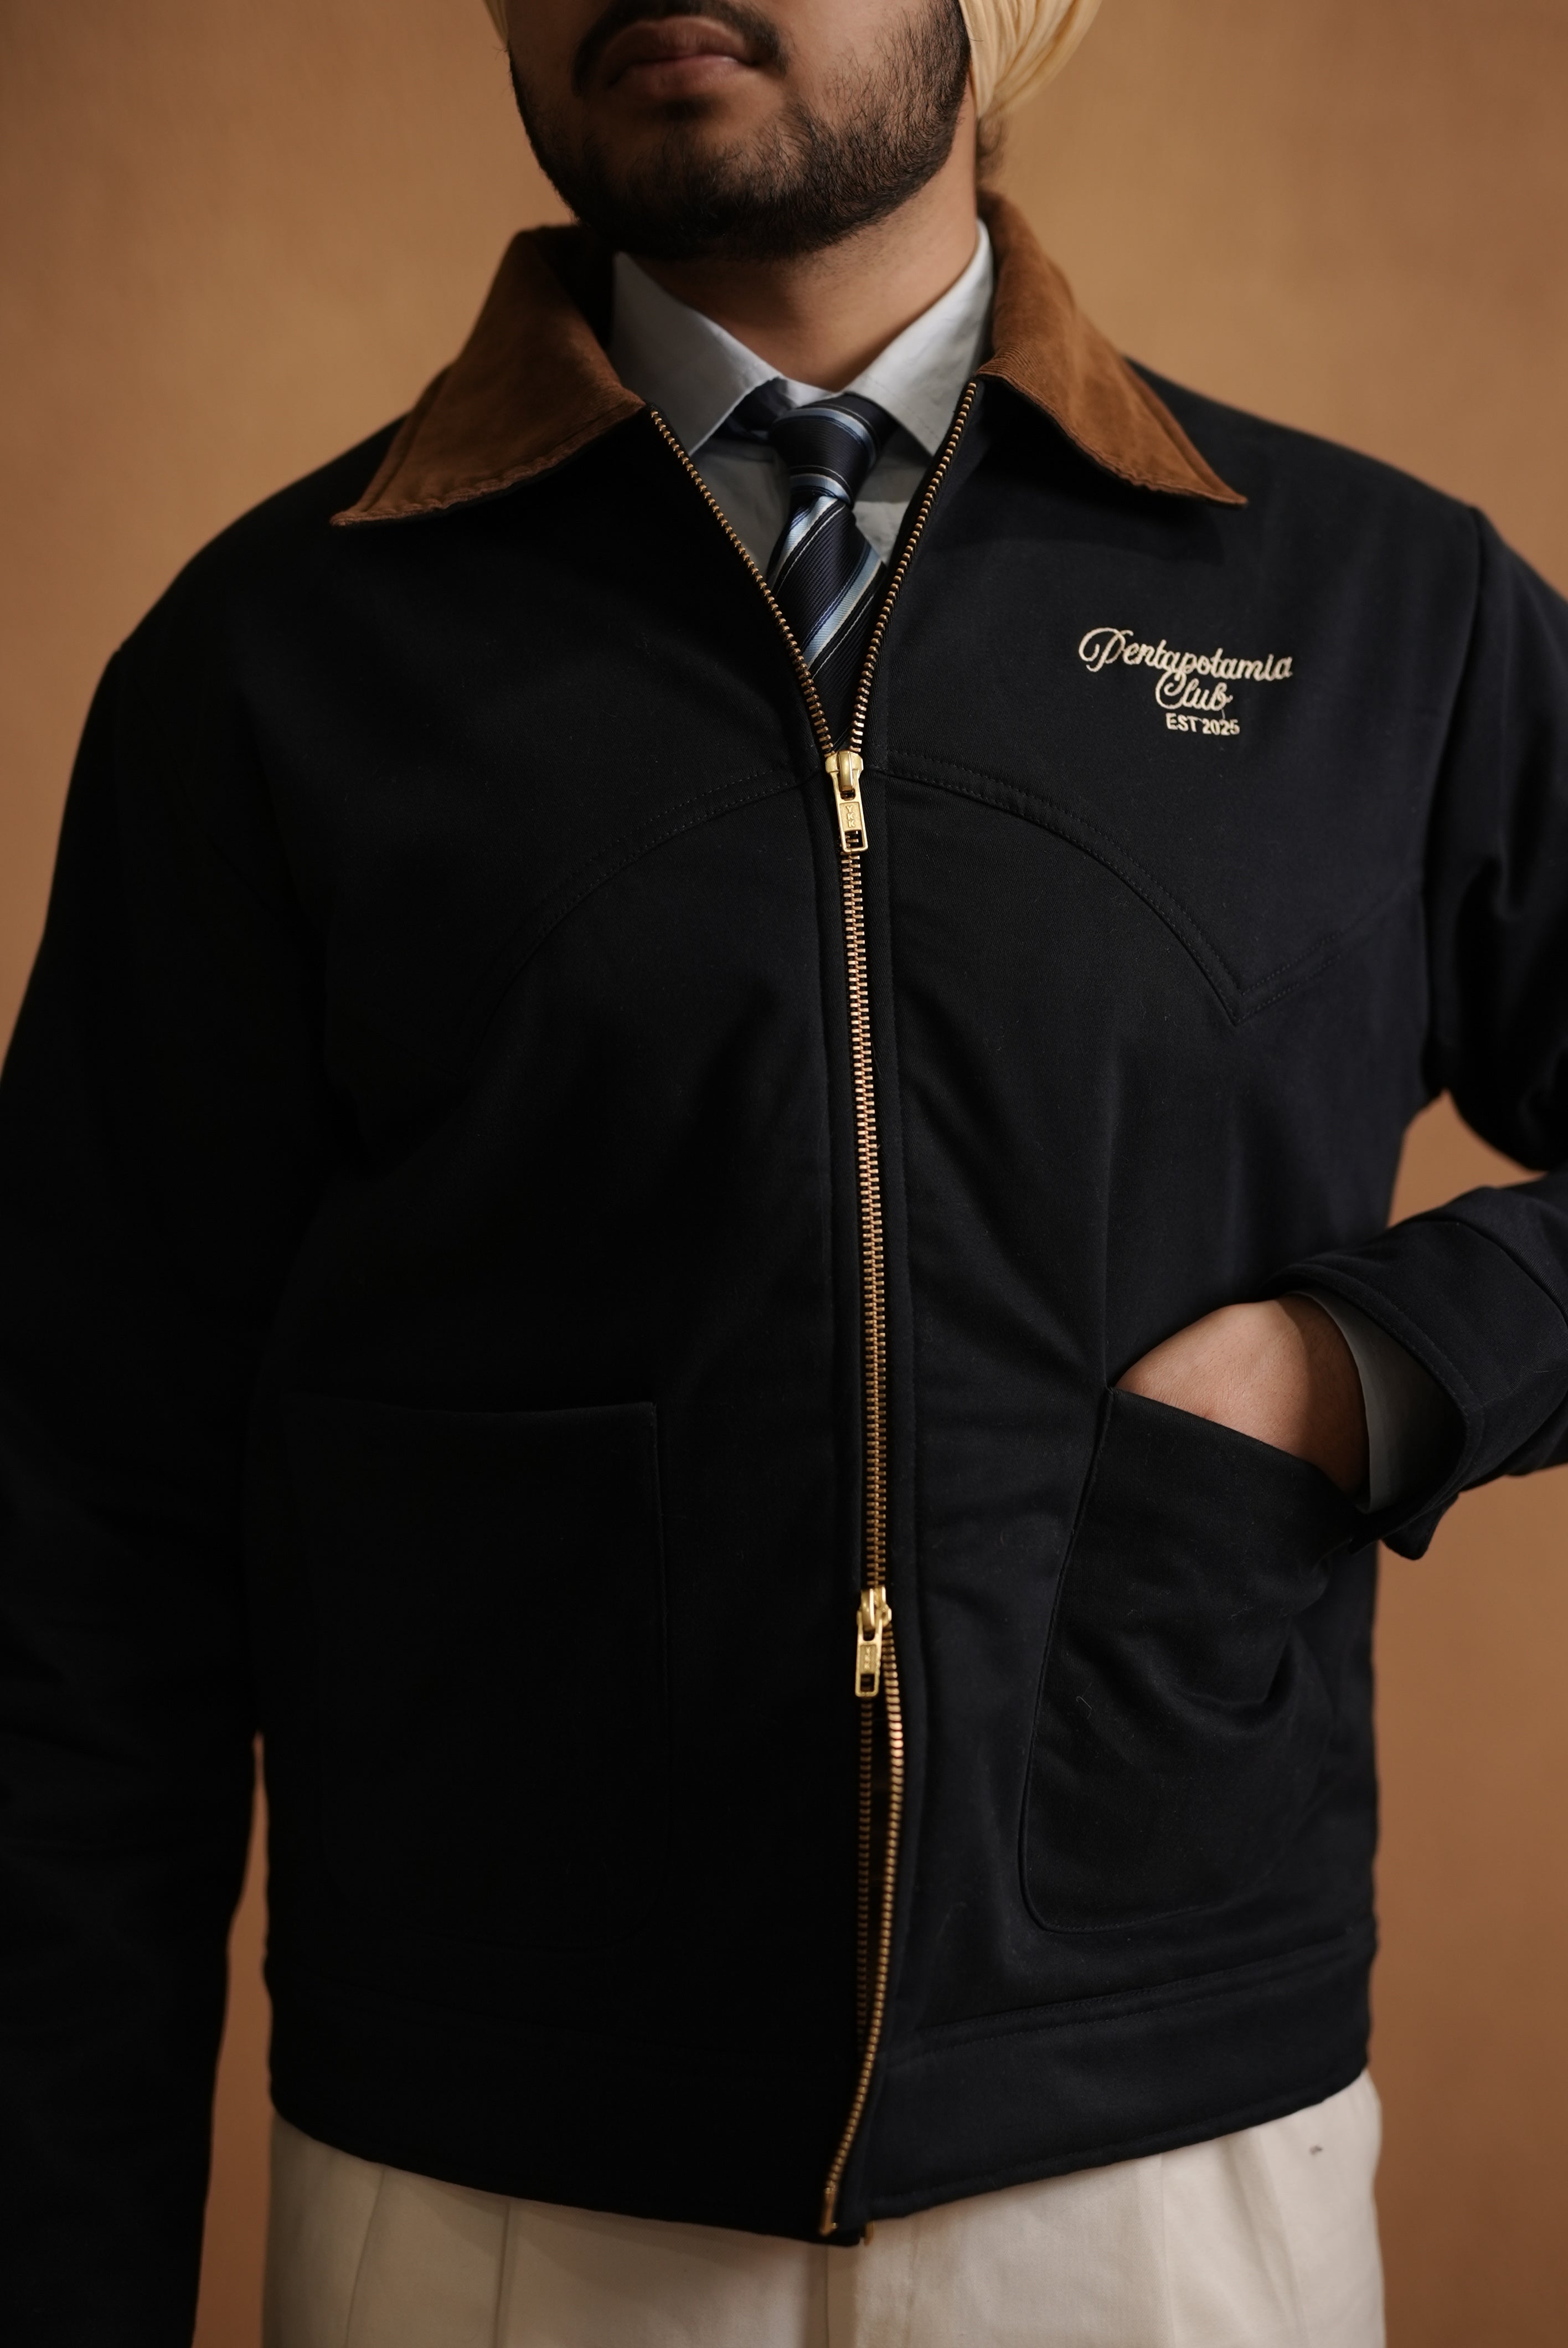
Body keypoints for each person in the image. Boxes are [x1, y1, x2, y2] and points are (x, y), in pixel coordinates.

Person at [3, 0, 1567, 2340]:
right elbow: (72, 1553)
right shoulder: (269, 666)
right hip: (488, 2208)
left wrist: (1372, 1372)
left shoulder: (1375, 611)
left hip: (1165, 2188)